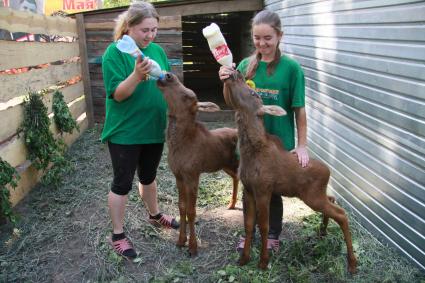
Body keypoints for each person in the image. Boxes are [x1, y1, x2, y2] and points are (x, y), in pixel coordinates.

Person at [219, 10, 310, 252]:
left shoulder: (291, 69)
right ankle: (249, 233)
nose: (262, 43)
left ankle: (272, 234)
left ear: (280, 35)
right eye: (257, 38)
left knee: (273, 188)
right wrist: (226, 81)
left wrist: (302, 145)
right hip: (249, 141)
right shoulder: (245, 66)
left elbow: (299, 109)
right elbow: (231, 101)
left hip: (277, 141)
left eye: (268, 38)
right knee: (249, 185)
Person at [101, 1, 179, 259]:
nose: (150, 35)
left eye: (154, 30)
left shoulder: (156, 50)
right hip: (125, 132)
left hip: (154, 128)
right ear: (130, 27)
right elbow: (118, 95)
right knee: (122, 183)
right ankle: (118, 233)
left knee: (148, 177)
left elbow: (165, 82)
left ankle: (155, 215)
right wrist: (136, 74)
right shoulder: (114, 53)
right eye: (145, 30)